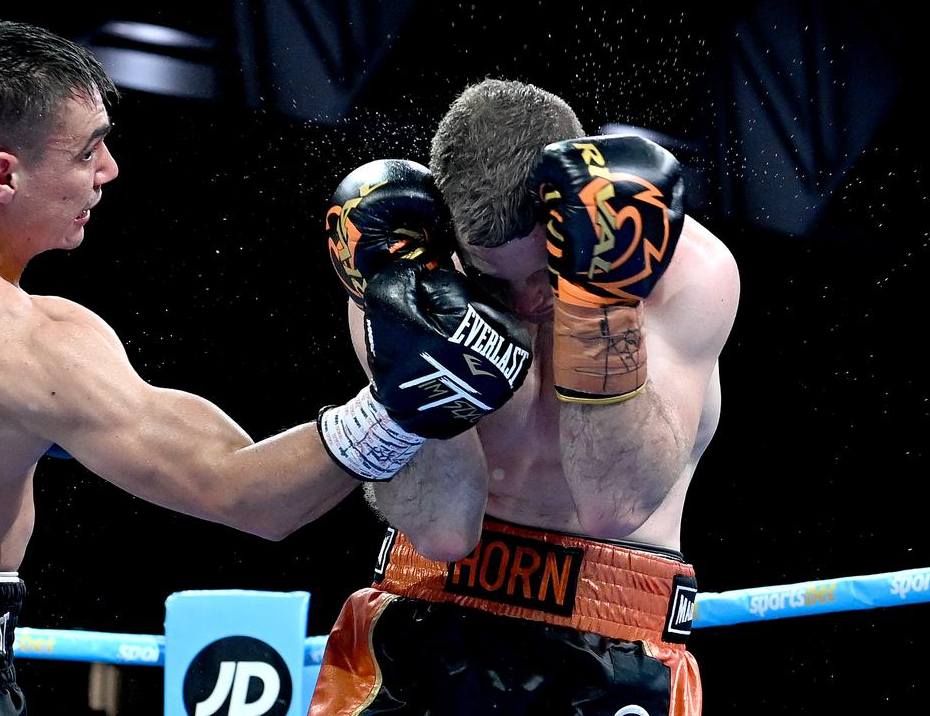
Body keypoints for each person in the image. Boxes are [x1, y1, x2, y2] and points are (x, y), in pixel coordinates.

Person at [0, 21, 530, 714]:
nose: (108, 173)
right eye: (88, 151)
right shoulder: (29, 342)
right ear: (3, 175)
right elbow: (245, 497)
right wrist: (398, 407)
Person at [310, 79, 739, 714]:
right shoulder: (400, 273)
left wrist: (600, 304)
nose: (527, 302)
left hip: (612, 633)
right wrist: (420, 361)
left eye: (544, 272)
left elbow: (613, 504)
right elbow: (440, 530)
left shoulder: (683, 271)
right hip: (424, 612)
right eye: (489, 279)